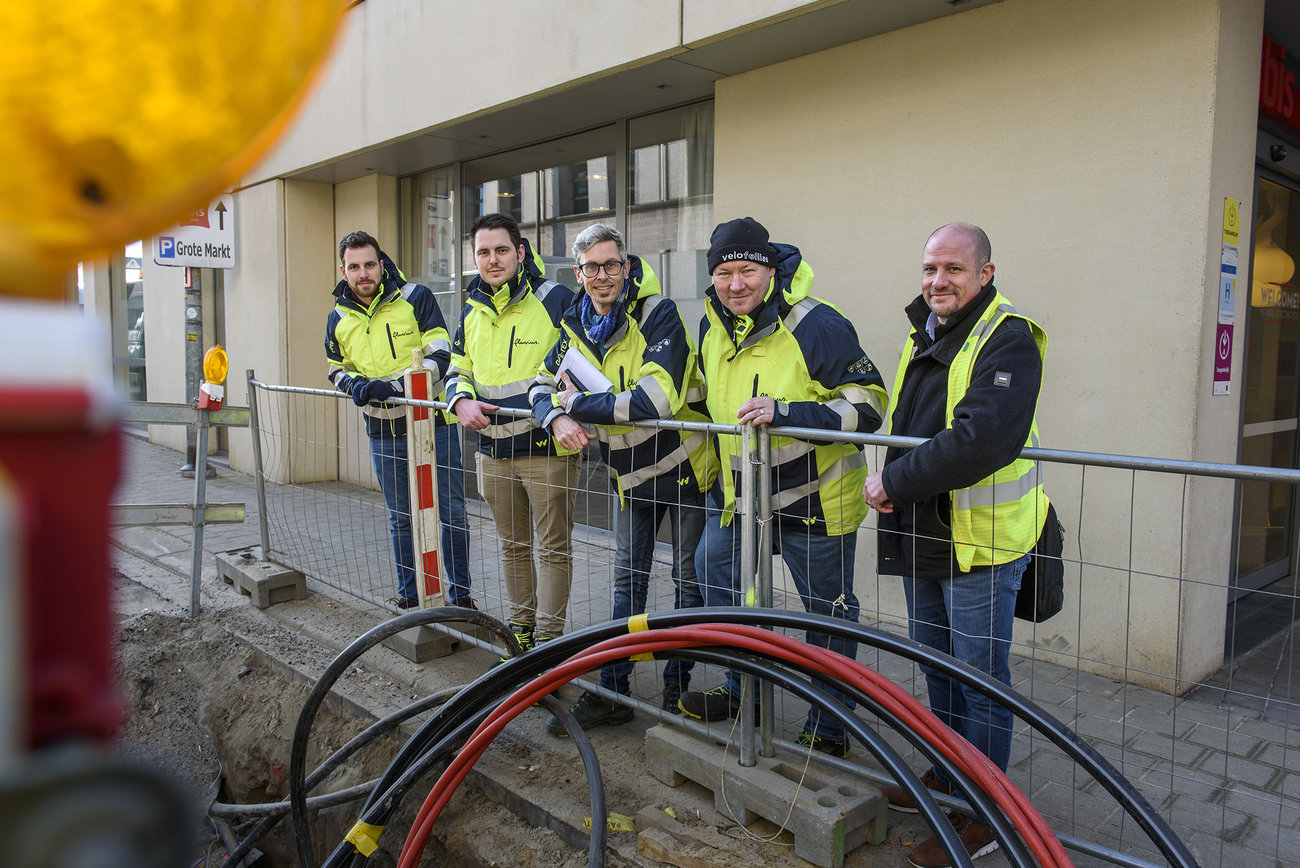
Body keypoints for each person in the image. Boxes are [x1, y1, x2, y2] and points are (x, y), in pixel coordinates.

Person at [864, 222, 1048, 868]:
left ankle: (986, 814)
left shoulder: (1010, 340)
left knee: (980, 682)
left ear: (985, 275)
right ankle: (948, 774)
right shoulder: (927, 332)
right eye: (929, 269)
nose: (938, 281)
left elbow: (979, 440)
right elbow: (910, 424)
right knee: (937, 669)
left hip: (981, 544)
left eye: (953, 270)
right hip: (925, 531)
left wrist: (893, 479)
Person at [678, 217, 887, 759]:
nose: (736, 284)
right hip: (740, 502)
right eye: (725, 273)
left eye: (747, 270)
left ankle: (830, 723)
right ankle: (741, 685)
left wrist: (790, 413)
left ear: (770, 269)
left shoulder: (816, 324)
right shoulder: (711, 325)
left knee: (827, 613)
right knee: (714, 576)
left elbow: (869, 405)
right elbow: (700, 402)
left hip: (815, 502)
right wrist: (710, 482)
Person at [530, 223, 717, 734]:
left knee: (686, 582)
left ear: (627, 267)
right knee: (627, 581)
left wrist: (576, 402)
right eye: (592, 267)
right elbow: (537, 386)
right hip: (630, 475)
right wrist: (557, 417)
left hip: (684, 469)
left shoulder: (658, 314)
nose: (602, 275)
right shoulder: (573, 321)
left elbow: (653, 401)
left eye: (612, 264)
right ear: (578, 272)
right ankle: (616, 692)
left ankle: (678, 691)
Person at [446, 214, 579, 653]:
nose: (492, 260)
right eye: (483, 252)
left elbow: (579, 363)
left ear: (520, 253)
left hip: (545, 449)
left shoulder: (556, 299)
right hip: (492, 451)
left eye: (501, 250)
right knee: (512, 546)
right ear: (474, 258)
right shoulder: (471, 310)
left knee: (553, 549)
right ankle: (520, 631)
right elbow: (458, 367)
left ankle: (547, 641)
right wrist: (460, 399)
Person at [324, 230, 474, 610]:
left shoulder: (415, 297)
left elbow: (443, 356)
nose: (363, 273)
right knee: (401, 517)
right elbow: (335, 368)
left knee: (451, 511)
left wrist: (394, 386)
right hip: (382, 430)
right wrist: (355, 385)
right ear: (343, 270)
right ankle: (410, 598)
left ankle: (461, 598)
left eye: (369, 264)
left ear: (381, 263)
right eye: (354, 266)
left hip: (432, 423)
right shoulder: (337, 317)